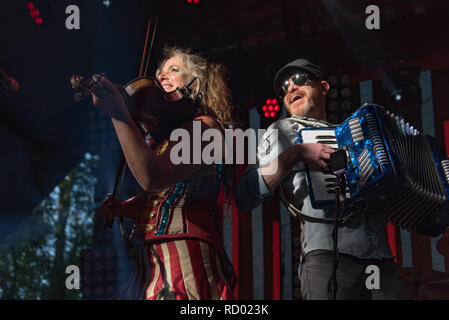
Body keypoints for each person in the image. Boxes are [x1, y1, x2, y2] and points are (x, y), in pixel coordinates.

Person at [235, 58, 409, 300]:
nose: (290, 89)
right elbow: (245, 194)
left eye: (298, 80)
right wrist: (297, 153)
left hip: (379, 256)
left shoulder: (355, 137)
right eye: (284, 88)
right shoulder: (284, 131)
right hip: (328, 255)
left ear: (324, 87)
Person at [94, 46, 236, 300]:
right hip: (150, 264)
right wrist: (125, 209)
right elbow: (163, 197)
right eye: (160, 73)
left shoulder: (206, 127)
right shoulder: (165, 142)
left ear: (197, 83)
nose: (162, 76)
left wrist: (119, 113)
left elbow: (153, 178)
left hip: (186, 256)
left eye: (174, 69)